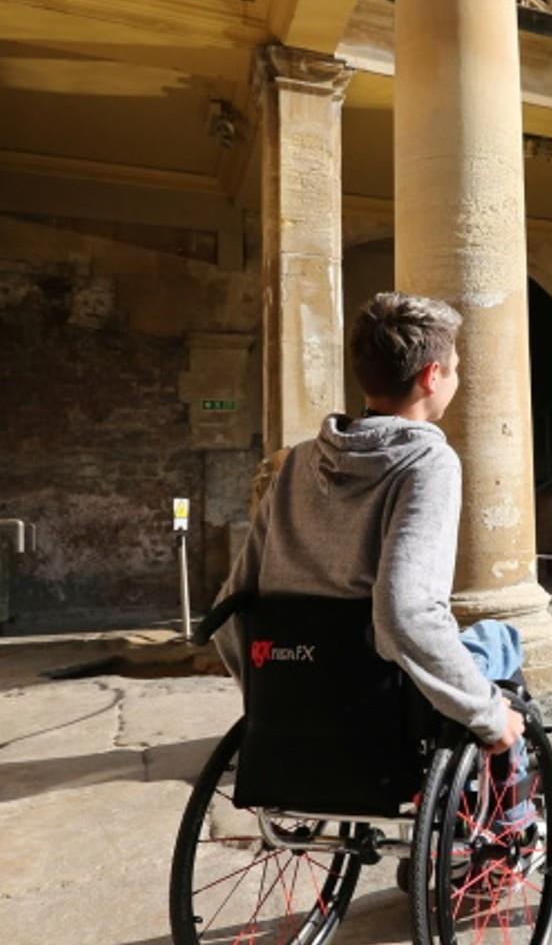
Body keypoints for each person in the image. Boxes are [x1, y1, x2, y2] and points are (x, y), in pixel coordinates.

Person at [216, 291, 527, 763]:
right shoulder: (427, 461)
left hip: (296, 694)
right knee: (500, 640)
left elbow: (230, 607)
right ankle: (513, 815)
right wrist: (488, 715)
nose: (457, 379)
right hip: (381, 696)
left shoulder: (297, 462)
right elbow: (405, 615)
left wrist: (267, 700)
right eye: (456, 368)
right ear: (431, 376)